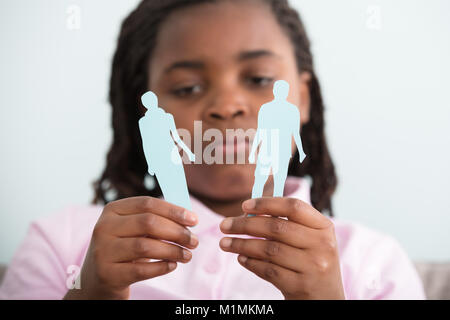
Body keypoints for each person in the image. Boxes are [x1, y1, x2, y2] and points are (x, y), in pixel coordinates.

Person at [0, 0, 425, 299]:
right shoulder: (62, 242)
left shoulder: (373, 260)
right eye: (187, 87)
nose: (226, 106)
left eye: (258, 79)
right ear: (144, 107)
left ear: (304, 99)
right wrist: (94, 294)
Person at [249, 79, 307, 198]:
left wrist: (301, 151)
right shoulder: (266, 109)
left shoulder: (292, 110)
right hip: (266, 150)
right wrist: (253, 152)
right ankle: (252, 212)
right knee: (260, 181)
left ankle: (274, 214)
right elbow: (261, 132)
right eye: (278, 90)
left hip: (282, 151)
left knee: (279, 184)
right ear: (275, 91)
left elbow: (295, 132)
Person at [139, 91, 195, 210]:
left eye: (152, 100)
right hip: (159, 159)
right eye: (148, 101)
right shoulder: (143, 122)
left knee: (180, 185)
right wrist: (150, 164)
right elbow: (146, 144)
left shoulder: (167, 117)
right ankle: (176, 218)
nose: (151, 103)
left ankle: (188, 215)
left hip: (172, 155)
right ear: (145, 104)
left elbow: (176, 137)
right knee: (167, 188)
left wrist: (188, 152)